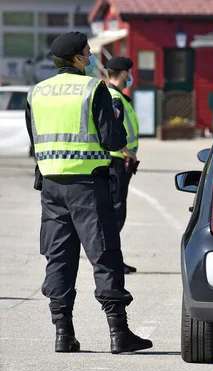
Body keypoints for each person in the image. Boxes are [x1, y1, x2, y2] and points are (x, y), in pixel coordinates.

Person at [25, 31, 152, 353]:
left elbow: (35, 141)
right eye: (88, 52)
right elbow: (111, 139)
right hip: (88, 185)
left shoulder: (37, 92)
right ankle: (118, 333)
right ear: (78, 58)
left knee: (59, 259)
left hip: (51, 187)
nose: (92, 56)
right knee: (105, 256)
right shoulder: (93, 89)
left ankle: (63, 334)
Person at [106, 56, 139, 274]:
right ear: (124, 74)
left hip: (120, 160)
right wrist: (128, 153)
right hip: (117, 161)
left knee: (116, 212)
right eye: (129, 73)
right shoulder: (115, 98)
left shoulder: (117, 97)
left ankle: (113, 259)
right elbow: (114, 129)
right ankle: (110, 261)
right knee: (116, 213)